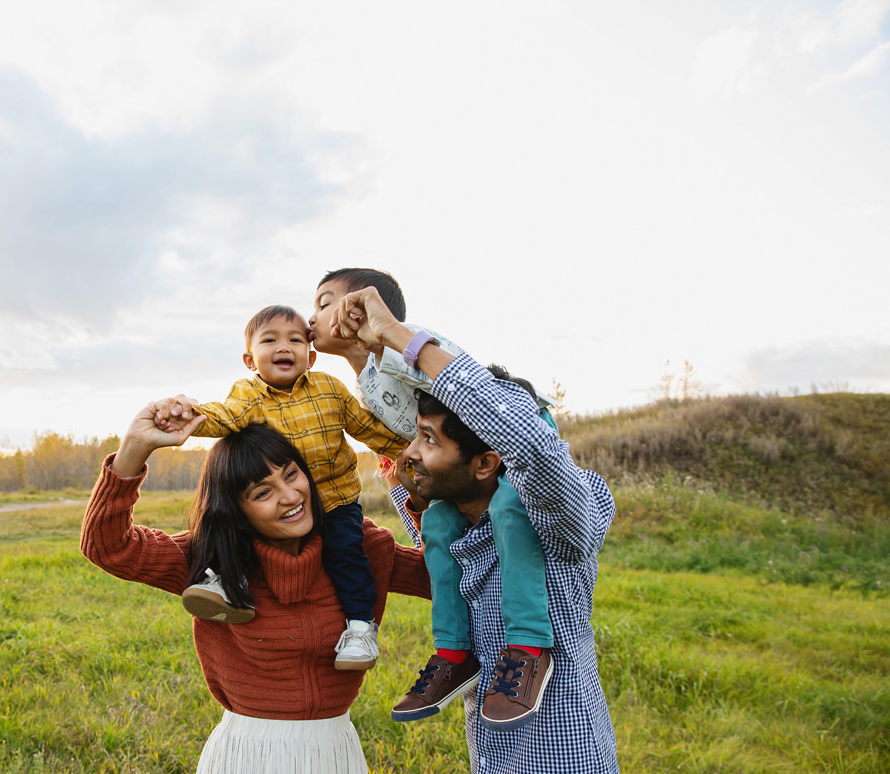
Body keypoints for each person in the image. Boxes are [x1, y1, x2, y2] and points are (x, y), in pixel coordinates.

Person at [329, 286, 620, 773]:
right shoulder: (450, 516)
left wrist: (401, 336)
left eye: (427, 439)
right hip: (491, 758)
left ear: (488, 462)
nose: (411, 453)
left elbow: (531, 443)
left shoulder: (559, 520)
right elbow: (408, 447)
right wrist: (363, 353)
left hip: (566, 759)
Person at [80, 403, 431, 773]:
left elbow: (438, 577)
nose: (291, 496)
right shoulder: (210, 560)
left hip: (335, 751)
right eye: (263, 493)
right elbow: (108, 547)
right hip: (248, 753)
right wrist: (136, 447)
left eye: (292, 475)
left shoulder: (359, 549)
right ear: (236, 510)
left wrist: (421, 500)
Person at [310, 268, 558, 727]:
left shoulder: (413, 344)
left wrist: (395, 335)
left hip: (518, 434)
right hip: (458, 464)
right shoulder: (365, 382)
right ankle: (454, 651)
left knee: (509, 508)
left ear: (361, 306)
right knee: (439, 528)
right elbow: (411, 438)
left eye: (324, 302)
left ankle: (528, 644)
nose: (313, 316)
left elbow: (482, 390)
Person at [159, 305, 407, 670]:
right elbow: (225, 416)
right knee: (242, 532)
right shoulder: (248, 394)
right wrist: (189, 416)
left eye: (295, 339)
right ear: (249, 358)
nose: (284, 347)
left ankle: (359, 628)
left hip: (335, 498)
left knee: (347, 554)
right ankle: (227, 585)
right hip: (280, 502)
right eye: (270, 340)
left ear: (311, 355)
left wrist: (411, 451)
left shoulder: (329, 388)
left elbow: (367, 429)